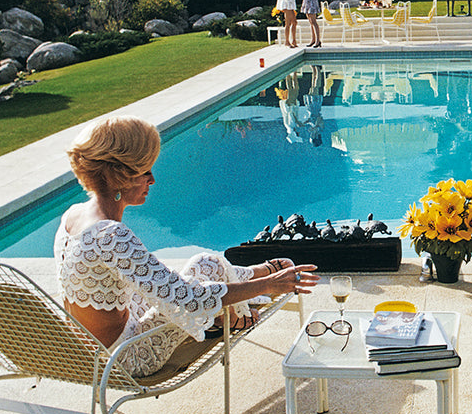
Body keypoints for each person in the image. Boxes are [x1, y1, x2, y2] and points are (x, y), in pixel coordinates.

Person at [56, 115, 317, 377]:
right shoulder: (111, 236)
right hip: (126, 357)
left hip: (97, 346)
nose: (152, 180)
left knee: (205, 263)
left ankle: (250, 278)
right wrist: (271, 286)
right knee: (201, 279)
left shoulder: (73, 216)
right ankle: (253, 289)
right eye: (145, 171)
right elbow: (189, 301)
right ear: (121, 176)